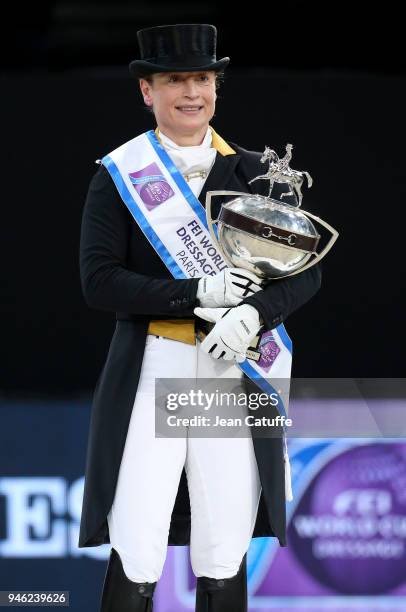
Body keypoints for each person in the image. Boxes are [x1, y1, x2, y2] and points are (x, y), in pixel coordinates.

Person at [78, 23, 322, 612]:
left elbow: (306, 268)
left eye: (202, 78)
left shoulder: (257, 172)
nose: (191, 92)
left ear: (216, 86)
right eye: (174, 80)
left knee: (223, 541)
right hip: (154, 366)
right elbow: (99, 281)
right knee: (137, 540)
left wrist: (255, 315)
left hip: (229, 372)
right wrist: (196, 293)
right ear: (148, 91)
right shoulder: (120, 176)